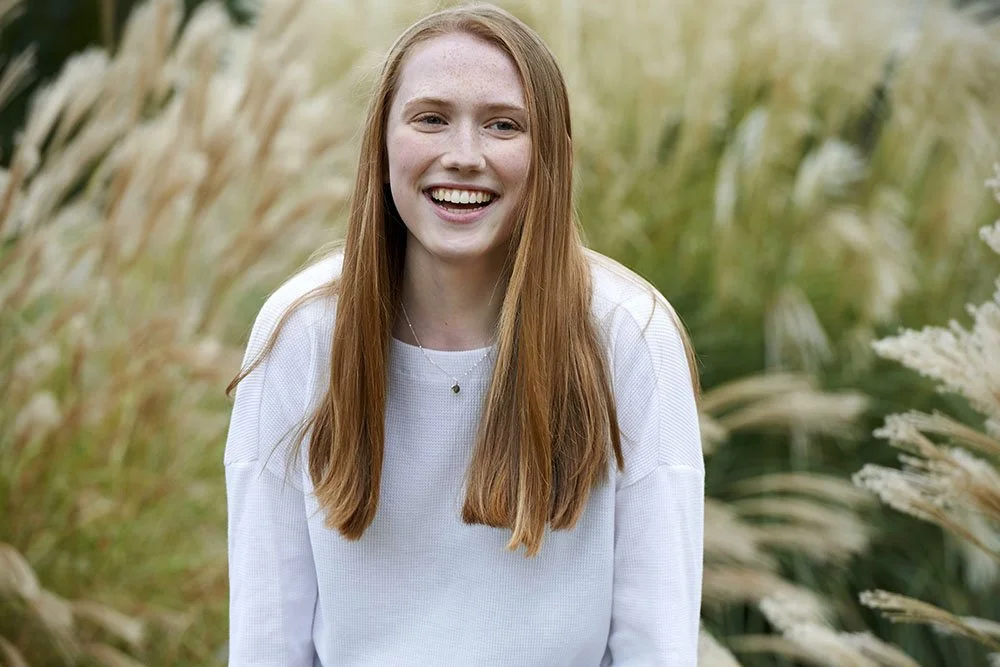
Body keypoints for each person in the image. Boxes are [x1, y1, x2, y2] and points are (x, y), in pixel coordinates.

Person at [223, 3, 704, 665]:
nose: (464, 156)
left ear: (551, 157)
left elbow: (657, 646)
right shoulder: (300, 336)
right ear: (381, 145)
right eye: (431, 118)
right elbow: (267, 642)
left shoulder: (630, 337)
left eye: (503, 125)